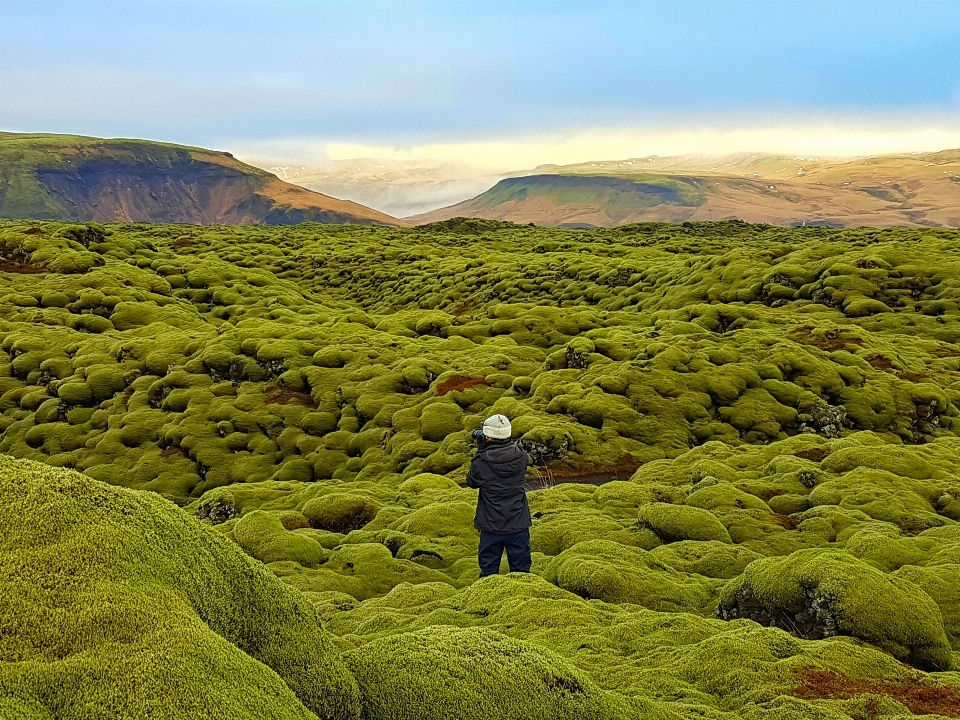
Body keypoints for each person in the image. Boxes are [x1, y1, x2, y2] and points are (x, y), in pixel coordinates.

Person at [466, 414, 531, 577]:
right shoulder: (522, 457)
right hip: (518, 520)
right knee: (522, 572)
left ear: (488, 436)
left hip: (491, 524)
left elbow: (472, 482)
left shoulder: (481, 461)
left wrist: (482, 449)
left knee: (488, 572)